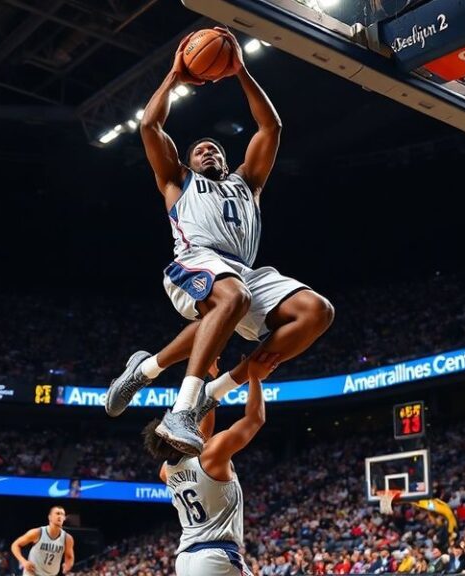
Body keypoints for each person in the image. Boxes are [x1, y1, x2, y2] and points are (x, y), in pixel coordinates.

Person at [106, 27, 334, 455]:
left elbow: (271, 126)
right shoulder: (177, 181)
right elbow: (150, 125)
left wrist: (240, 70)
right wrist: (174, 75)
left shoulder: (248, 182)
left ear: (227, 161)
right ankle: (182, 410)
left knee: (316, 312)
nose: (208, 152)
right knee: (233, 297)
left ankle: (187, 381)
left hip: (242, 271)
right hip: (194, 259)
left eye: (215, 150)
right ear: (188, 162)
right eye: (200, 151)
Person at [143, 353, 279, 576]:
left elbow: (202, 435)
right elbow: (255, 419)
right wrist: (255, 377)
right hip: (215, 555)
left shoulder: (166, 471)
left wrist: (212, 381)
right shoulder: (212, 454)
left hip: (185, 560)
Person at [11, 506, 74, 576]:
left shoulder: (67, 538)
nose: (60, 516)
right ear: (50, 517)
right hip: (32, 573)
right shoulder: (37, 532)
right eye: (57, 513)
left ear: (64, 518)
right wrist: (23, 561)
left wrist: (68, 565)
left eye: (62, 514)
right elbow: (15, 545)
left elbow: (69, 556)